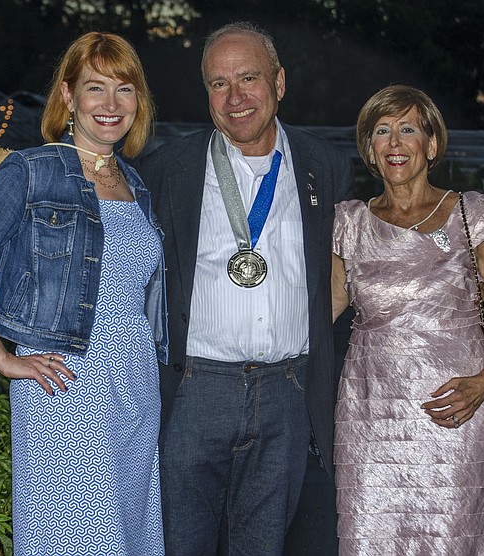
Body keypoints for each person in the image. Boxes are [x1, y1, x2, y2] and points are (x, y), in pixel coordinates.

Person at [0, 32, 166, 556]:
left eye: (124, 89)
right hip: (65, 390)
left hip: (137, 391)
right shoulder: (28, 172)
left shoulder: (135, 184)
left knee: (127, 536)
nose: (110, 104)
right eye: (94, 88)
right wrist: (5, 359)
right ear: (66, 96)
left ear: (138, 101)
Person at [136, 21, 354, 555]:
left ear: (279, 82)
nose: (235, 97)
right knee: (180, 544)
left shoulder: (325, 167)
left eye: (248, 78)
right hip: (194, 392)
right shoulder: (166, 169)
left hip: (286, 394)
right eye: (218, 83)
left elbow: (347, 272)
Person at [331, 84, 484, 555]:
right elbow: (310, 316)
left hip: (456, 414)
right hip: (369, 419)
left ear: (430, 144)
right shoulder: (347, 224)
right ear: (369, 149)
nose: (394, 143)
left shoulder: (471, 214)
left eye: (408, 129)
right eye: (382, 132)